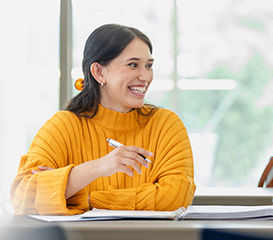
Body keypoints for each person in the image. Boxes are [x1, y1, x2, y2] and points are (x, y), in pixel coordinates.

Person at [10, 24, 195, 215]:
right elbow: (23, 197)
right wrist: (99, 166)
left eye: (149, 65)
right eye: (133, 65)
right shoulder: (62, 126)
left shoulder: (166, 125)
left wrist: (84, 198)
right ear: (99, 72)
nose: (145, 76)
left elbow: (175, 197)